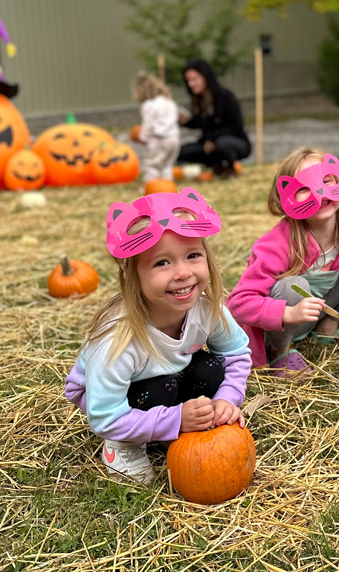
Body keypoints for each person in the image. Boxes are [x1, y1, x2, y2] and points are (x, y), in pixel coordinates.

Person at [64, 187, 252, 484]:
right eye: (162, 263)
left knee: (210, 367)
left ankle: (171, 421)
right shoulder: (116, 340)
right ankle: (121, 447)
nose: (182, 273)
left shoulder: (207, 309)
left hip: (170, 372)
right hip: (112, 400)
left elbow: (236, 354)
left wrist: (228, 399)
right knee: (161, 389)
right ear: (133, 276)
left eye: (193, 255)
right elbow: (104, 416)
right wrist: (176, 419)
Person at [227, 148, 339, 375]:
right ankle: (280, 350)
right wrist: (288, 314)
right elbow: (239, 303)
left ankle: (327, 327)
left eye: (326, 180)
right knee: (293, 285)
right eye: (303, 188)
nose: (320, 193)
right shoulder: (277, 244)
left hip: (320, 311)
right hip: (284, 323)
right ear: (286, 197)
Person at [178, 59, 250, 179]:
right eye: (188, 81)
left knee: (221, 144)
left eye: (194, 79)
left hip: (236, 142)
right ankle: (216, 167)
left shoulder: (225, 97)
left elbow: (236, 126)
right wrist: (185, 122)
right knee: (180, 152)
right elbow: (200, 124)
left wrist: (213, 139)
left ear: (205, 77)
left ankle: (229, 168)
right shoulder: (199, 101)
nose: (191, 84)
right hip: (209, 144)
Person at [132, 72, 181, 182]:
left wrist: (142, 138)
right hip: (173, 139)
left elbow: (147, 125)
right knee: (167, 166)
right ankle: (168, 190)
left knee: (152, 166)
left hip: (158, 139)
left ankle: (149, 189)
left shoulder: (148, 105)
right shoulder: (170, 102)